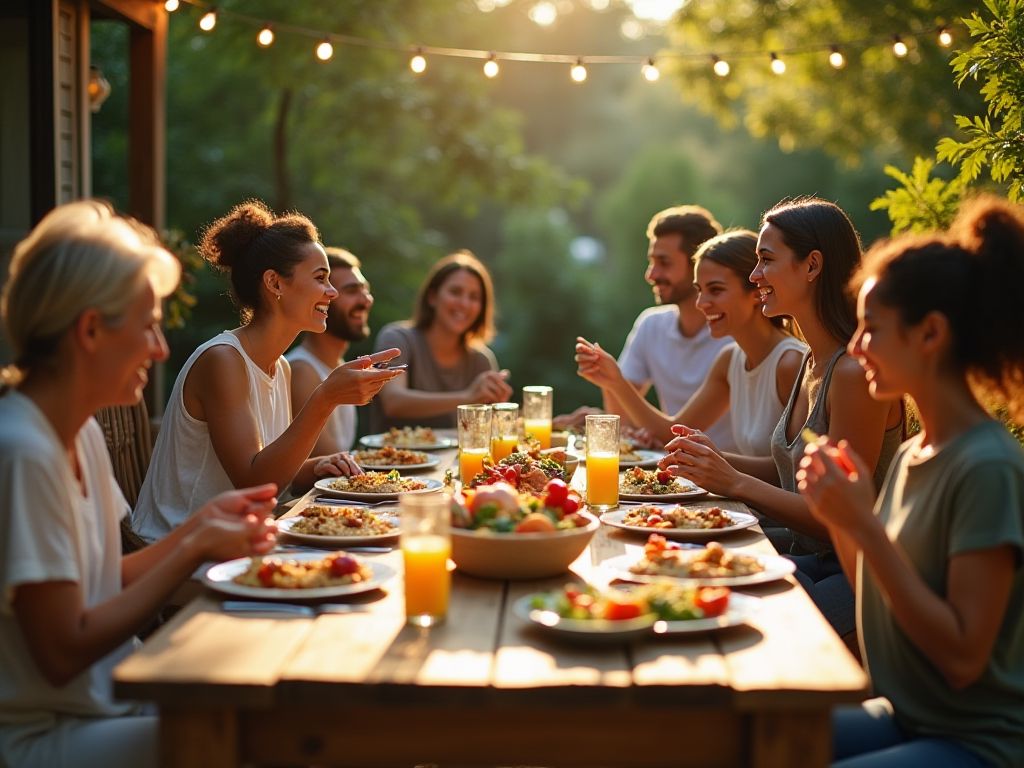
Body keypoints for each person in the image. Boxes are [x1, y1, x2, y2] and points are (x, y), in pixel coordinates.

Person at [0, 200, 278, 767]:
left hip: (110, 703)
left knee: (281, 705)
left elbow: (101, 580)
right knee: (266, 742)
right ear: (91, 330)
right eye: (148, 323)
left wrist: (200, 526)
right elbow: (61, 650)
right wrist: (193, 549)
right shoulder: (23, 452)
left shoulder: (77, 433)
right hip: (46, 735)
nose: (161, 347)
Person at [797, 195, 1024, 767]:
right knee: (738, 739)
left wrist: (865, 525)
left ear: (930, 334)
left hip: (976, 741)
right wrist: (840, 520)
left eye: (871, 330)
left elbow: (963, 658)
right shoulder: (914, 454)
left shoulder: (986, 467)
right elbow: (882, 598)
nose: (855, 348)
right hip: (903, 715)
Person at [660, 198, 904, 639]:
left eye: (766, 261)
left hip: (854, 577)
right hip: (807, 557)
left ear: (812, 266)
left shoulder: (851, 372)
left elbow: (842, 516)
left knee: (727, 615)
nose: (755, 278)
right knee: (678, 561)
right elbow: (788, 470)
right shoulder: (813, 359)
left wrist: (733, 482)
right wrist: (713, 462)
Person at [133, 201, 402, 543]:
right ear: (275, 283)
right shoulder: (223, 360)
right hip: (177, 550)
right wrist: (326, 398)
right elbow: (256, 483)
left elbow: (271, 469)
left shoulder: (281, 366)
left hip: (238, 539)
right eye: (321, 278)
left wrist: (315, 467)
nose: (332, 292)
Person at [576, 230, 805, 453]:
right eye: (699, 290)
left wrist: (712, 464)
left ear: (757, 292)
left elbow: (790, 474)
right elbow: (672, 433)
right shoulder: (730, 359)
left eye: (715, 290)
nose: (701, 303)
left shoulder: (790, 363)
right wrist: (615, 381)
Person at [605, 205, 736, 451]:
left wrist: (614, 379)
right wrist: (642, 434)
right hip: (674, 470)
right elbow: (619, 413)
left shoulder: (735, 337)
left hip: (728, 480)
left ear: (700, 264)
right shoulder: (651, 324)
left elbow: (676, 431)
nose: (651, 274)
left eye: (663, 262)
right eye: (651, 262)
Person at [369, 250, 512, 432]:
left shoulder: (481, 359)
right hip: (391, 458)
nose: (464, 304)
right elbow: (393, 402)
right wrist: (468, 397)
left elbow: (489, 430)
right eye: (455, 292)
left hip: (454, 460)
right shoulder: (397, 338)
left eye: (474, 297)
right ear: (432, 297)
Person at [287, 247, 373, 455]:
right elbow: (329, 462)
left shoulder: (338, 365)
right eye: (352, 291)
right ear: (323, 298)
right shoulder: (301, 371)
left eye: (365, 289)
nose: (366, 300)